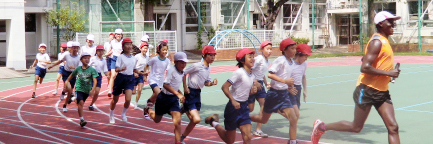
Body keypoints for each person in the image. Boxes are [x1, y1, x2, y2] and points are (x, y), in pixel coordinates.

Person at [311, 11, 401, 144]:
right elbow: (364, 67)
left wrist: (390, 72)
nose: (393, 24)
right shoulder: (377, 42)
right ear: (381, 24)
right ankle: (321, 127)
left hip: (382, 91)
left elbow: (367, 60)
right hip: (367, 90)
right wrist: (389, 73)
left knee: (393, 127)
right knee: (356, 127)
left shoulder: (384, 41)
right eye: (390, 21)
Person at [204, 48, 260, 144]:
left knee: (248, 137)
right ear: (242, 60)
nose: (252, 59)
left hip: (244, 108)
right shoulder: (239, 73)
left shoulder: (252, 74)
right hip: (233, 109)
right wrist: (233, 101)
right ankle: (214, 122)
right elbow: (224, 87)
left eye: (253, 57)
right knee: (229, 140)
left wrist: (254, 89)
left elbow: (247, 90)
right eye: (249, 57)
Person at [249, 38, 299, 144]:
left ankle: (293, 141)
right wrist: (285, 81)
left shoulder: (291, 62)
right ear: (284, 50)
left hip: (283, 95)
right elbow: (270, 74)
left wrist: (289, 87)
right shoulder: (280, 60)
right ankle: (241, 117)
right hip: (274, 94)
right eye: (292, 48)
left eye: (295, 48)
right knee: (263, 120)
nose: (294, 51)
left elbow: (285, 77)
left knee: (293, 118)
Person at [143, 52, 188, 144]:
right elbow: (165, 84)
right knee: (156, 120)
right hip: (163, 98)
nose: (183, 65)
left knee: (177, 120)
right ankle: (148, 110)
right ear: (175, 62)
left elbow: (174, 85)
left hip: (173, 100)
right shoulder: (171, 71)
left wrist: (180, 93)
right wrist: (178, 94)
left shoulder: (182, 72)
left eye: (185, 63)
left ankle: (177, 141)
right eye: (181, 62)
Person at [180, 45, 218, 143]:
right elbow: (183, 73)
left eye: (214, 55)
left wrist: (212, 83)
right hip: (190, 92)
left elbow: (206, 83)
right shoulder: (197, 65)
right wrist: (185, 87)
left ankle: (182, 137)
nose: (213, 57)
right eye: (210, 55)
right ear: (204, 55)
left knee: (193, 120)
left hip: (197, 94)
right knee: (196, 119)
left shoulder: (208, 68)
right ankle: (185, 108)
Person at [64, 52, 98, 127]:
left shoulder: (92, 70)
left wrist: (92, 90)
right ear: (81, 60)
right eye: (85, 58)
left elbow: (95, 80)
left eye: (88, 58)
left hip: (87, 90)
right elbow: (71, 76)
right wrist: (67, 82)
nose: (87, 60)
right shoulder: (78, 69)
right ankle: (81, 120)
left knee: (81, 103)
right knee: (81, 103)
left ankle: (72, 98)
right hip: (79, 88)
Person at [49, 41, 82, 112]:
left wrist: (73, 67)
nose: (75, 49)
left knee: (69, 91)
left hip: (73, 75)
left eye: (77, 48)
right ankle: (70, 97)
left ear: (78, 49)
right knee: (70, 89)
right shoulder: (67, 55)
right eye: (74, 48)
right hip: (66, 74)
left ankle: (65, 104)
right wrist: (52, 65)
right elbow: (60, 61)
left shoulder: (79, 58)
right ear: (71, 48)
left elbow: (79, 68)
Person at [109, 38, 136, 123]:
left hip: (130, 79)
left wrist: (140, 73)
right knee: (115, 99)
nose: (129, 46)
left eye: (130, 44)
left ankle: (123, 114)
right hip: (120, 78)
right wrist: (121, 69)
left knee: (128, 100)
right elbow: (116, 69)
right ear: (123, 46)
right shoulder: (120, 57)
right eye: (126, 44)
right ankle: (111, 114)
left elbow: (134, 69)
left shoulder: (134, 58)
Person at [249, 41, 272, 137]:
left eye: (271, 49)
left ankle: (258, 129)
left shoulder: (267, 61)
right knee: (250, 108)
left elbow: (261, 74)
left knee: (264, 105)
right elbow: (249, 69)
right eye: (267, 49)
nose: (270, 51)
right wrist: (255, 82)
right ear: (262, 50)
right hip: (252, 84)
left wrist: (266, 82)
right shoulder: (258, 59)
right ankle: (238, 118)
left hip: (260, 85)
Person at [143, 41, 170, 120]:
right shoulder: (154, 59)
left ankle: (146, 109)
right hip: (152, 79)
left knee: (154, 98)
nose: (165, 51)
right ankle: (156, 109)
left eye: (166, 50)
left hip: (160, 81)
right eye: (163, 50)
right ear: (159, 50)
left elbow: (168, 71)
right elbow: (146, 65)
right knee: (159, 94)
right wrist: (145, 74)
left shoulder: (167, 61)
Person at [88, 45, 109, 111]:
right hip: (91, 75)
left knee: (96, 92)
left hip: (99, 76)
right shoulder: (92, 59)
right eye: (99, 51)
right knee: (89, 91)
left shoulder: (104, 61)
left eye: (102, 51)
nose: (100, 52)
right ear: (96, 52)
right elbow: (87, 66)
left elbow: (105, 70)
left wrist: (108, 76)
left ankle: (91, 104)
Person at [131, 42, 150, 109]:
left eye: (146, 48)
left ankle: (136, 103)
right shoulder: (137, 56)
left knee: (140, 89)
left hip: (141, 74)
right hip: (135, 73)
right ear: (140, 48)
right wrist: (134, 73)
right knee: (133, 91)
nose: (145, 50)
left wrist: (145, 75)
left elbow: (146, 66)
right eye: (144, 48)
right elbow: (132, 65)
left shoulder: (147, 58)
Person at [108, 29, 123, 97]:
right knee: (113, 75)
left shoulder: (123, 42)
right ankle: (109, 90)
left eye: (119, 34)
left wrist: (121, 53)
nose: (118, 35)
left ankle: (119, 88)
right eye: (117, 34)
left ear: (121, 35)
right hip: (114, 59)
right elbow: (110, 49)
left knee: (120, 76)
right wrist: (108, 53)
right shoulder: (112, 42)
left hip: (121, 60)